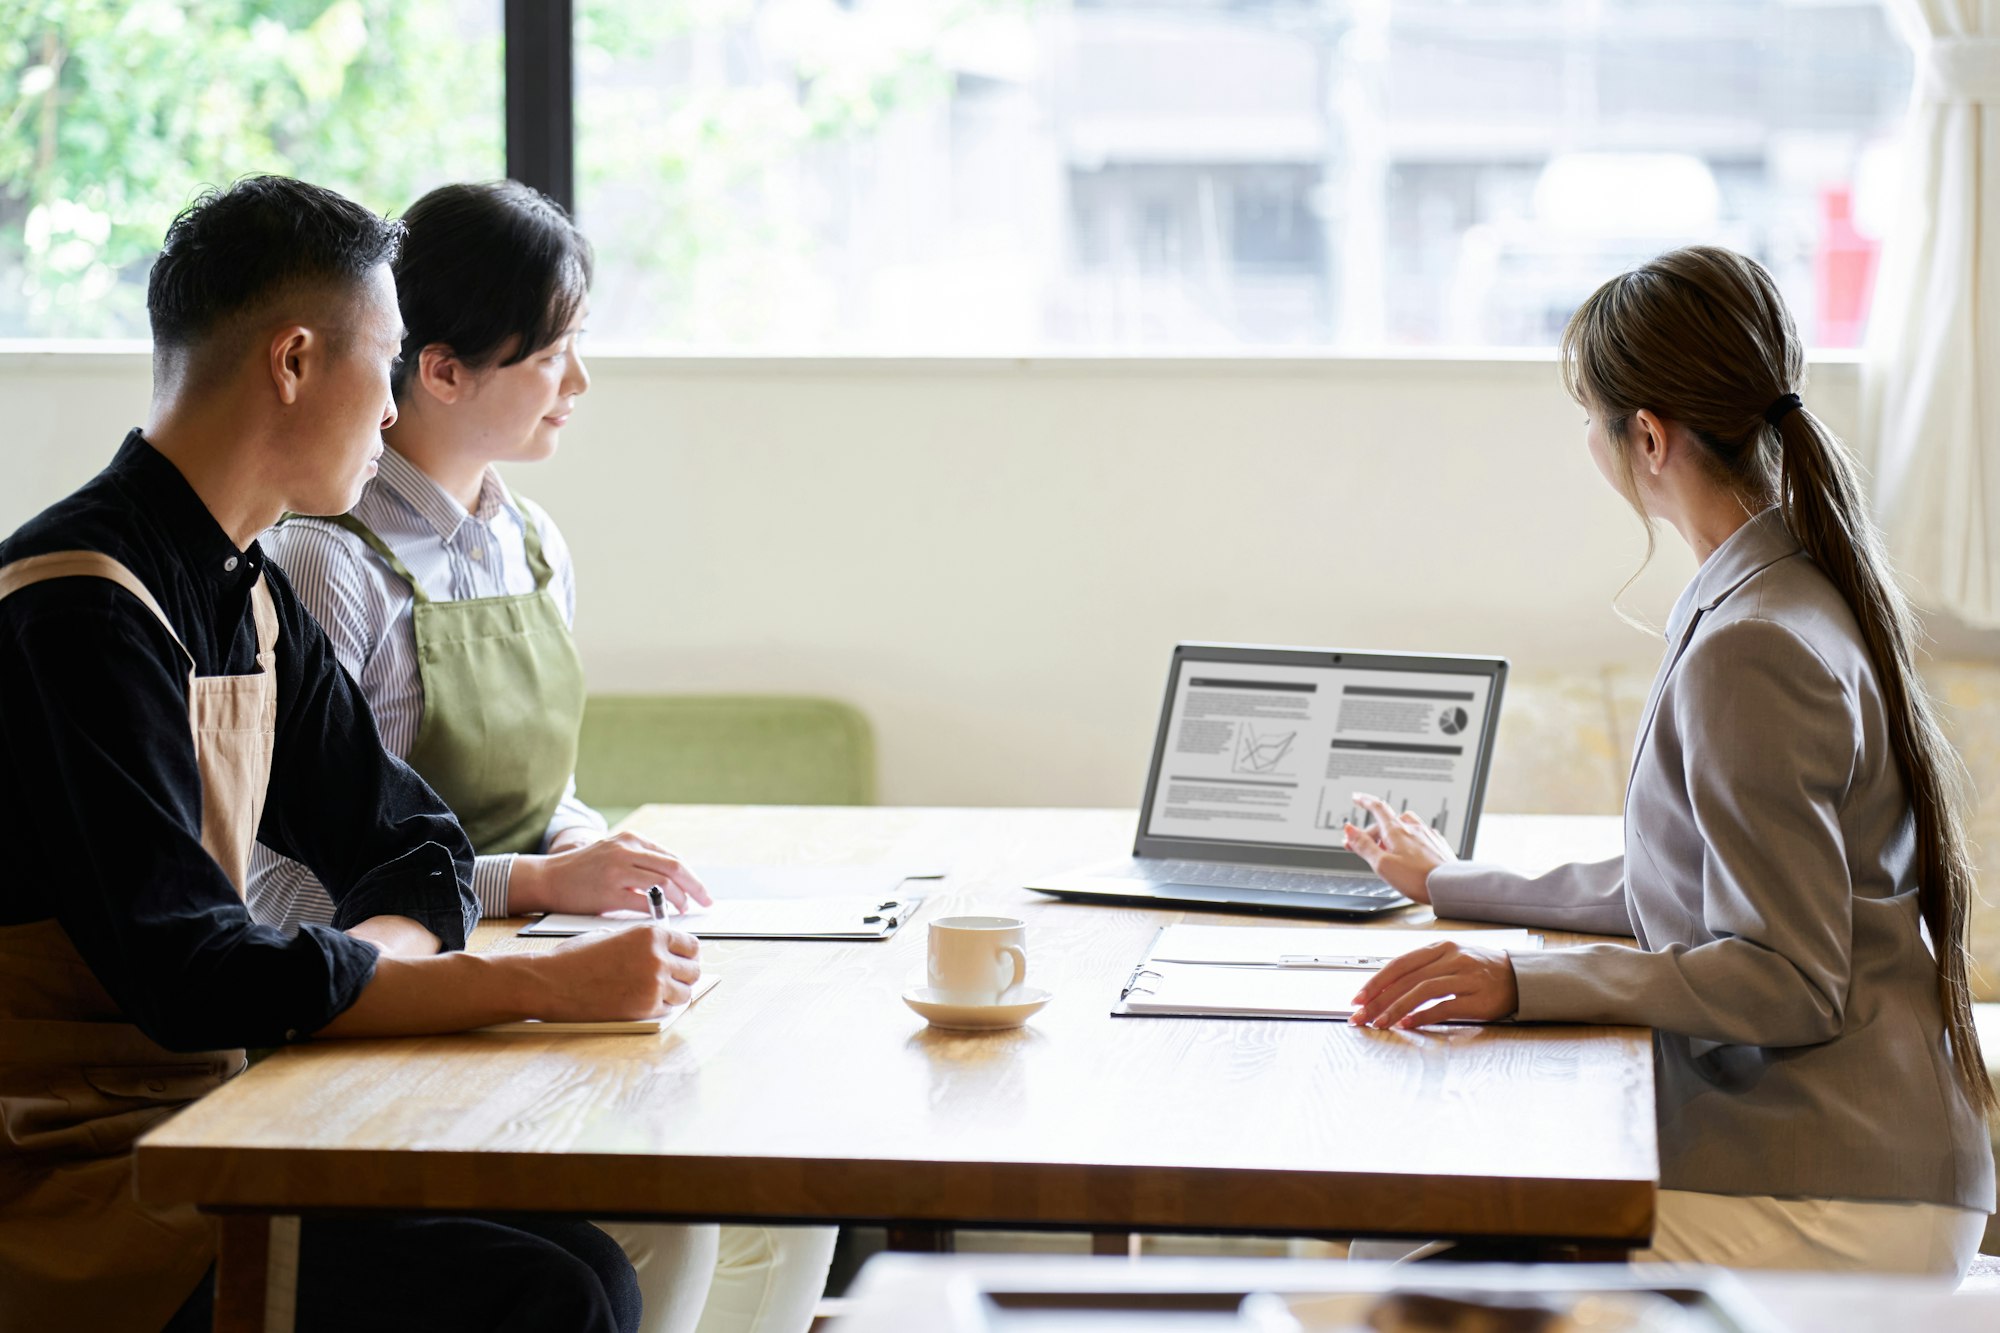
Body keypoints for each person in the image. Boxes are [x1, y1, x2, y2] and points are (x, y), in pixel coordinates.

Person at [0, 175, 703, 1333]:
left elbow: (415, 844)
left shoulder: (249, 588)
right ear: (292, 361)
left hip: (226, 1114)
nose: (389, 413)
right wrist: (527, 983)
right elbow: (197, 973)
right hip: (85, 1182)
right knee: (544, 1297)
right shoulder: (77, 605)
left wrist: (370, 970)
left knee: (584, 1263)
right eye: (382, 364)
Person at [247, 179, 837, 1333]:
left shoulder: (530, 543)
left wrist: (587, 844)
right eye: (553, 352)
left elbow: (541, 789)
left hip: (535, 968)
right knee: (675, 1215)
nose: (579, 384)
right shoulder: (324, 563)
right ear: (442, 368)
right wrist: (537, 883)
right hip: (402, 1005)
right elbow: (285, 888)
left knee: (791, 1180)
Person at [1340, 245, 1995, 1276]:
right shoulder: (1781, 591)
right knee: (1420, 1232)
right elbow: (1684, 887)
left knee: (1416, 1266)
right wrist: (1455, 883)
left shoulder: (1755, 643)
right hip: (1845, 1160)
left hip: (1837, 1190)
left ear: (1644, 435)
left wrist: (1517, 979)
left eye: (1588, 416)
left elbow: (1785, 978)